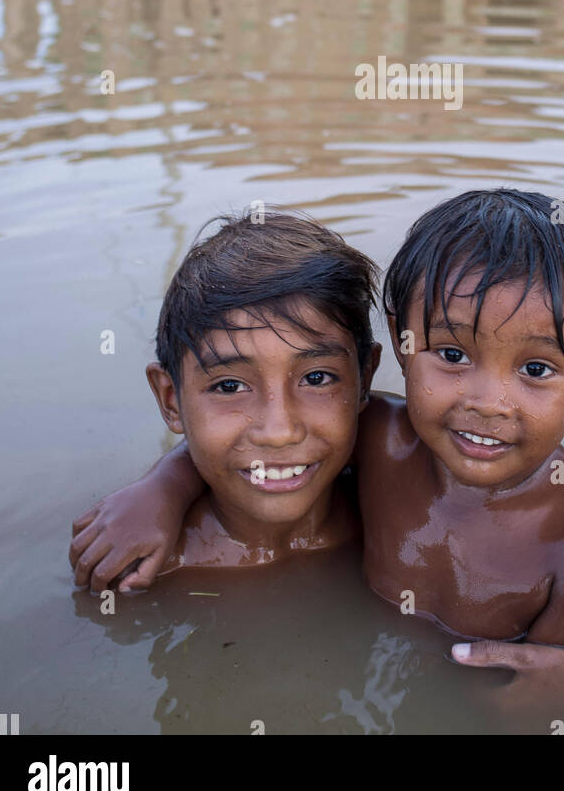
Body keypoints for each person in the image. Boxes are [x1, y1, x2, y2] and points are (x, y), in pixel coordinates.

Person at [71, 191, 564, 671]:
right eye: (451, 354)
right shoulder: (382, 439)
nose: (488, 403)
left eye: (536, 369)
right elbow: (229, 445)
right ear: (400, 343)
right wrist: (159, 492)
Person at [70, 211, 379, 584]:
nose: (279, 432)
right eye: (229, 387)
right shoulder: (143, 563)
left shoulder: (387, 511)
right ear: (171, 400)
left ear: (364, 379)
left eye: (316, 378)